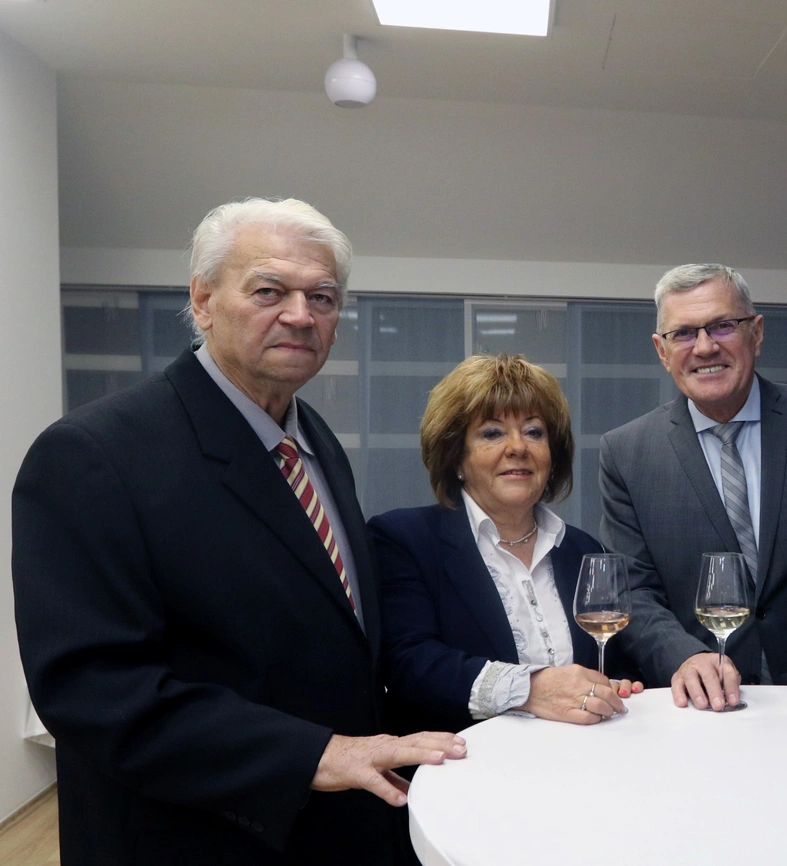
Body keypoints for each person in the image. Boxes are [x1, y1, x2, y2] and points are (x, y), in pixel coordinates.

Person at [12, 198, 464, 866]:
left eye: (322, 297)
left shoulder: (313, 440)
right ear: (202, 301)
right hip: (197, 838)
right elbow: (93, 691)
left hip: (338, 827)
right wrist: (313, 754)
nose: (301, 315)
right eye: (269, 291)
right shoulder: (92, 454)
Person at [600, 263, 787, 711]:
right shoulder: (626, 452)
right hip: (702, 709)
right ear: (661, 350)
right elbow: (633, 591)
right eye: (684, 333)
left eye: (723, 326)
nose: (705, 347)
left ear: (756, 333)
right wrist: (683, 655)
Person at [370, 354, 642, 736]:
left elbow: (616, 660)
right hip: (464, 763)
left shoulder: (582, 549)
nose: (518, 447)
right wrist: (529, 689)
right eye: (492, 433)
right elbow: (410, 663)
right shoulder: (404, 539)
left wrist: (618, 685)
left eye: (534, 432)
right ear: (456, 458)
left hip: (581, 759)